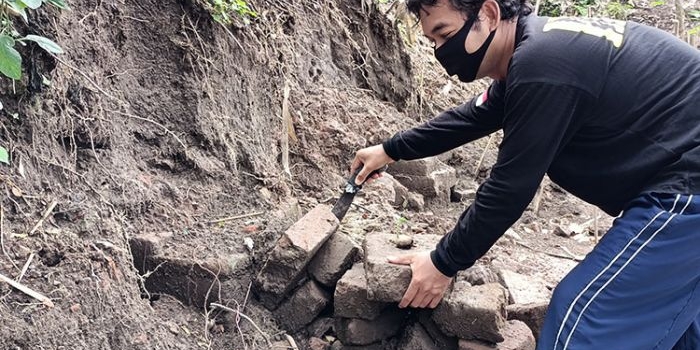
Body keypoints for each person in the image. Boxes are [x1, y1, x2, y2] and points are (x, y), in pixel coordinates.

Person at [349, 0, 700, 348]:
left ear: (487, 14)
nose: (442, 51)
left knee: (581, 322)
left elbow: (510, 188)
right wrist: (390, 150)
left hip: (686, 187)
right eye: (432, 42)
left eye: (445, 33)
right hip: (679, 181)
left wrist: (442, 263)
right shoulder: (541, 51)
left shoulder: (543, 66)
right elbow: (472, 117)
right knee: (676, 331)